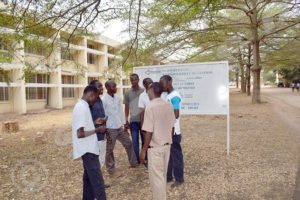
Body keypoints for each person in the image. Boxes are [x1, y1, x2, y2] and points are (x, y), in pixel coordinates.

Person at [140, 82, 176, 200]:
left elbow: (148, 132)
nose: (147, 93)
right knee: (162, 177)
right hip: (167, 146)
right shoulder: (168, 105)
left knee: (157, 180)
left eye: (148, 90)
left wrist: (144, 150)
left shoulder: (150, 107)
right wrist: (168, 141)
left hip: (155, 149)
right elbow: (172, 127)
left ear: (152, 91)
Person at [72, 85, 107, 200]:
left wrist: (94, 122)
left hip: (89, 149)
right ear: (90, 95)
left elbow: (83, 126)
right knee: (98, 182)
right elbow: (80, 134)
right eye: (95, 98)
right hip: (88, 151)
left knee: (88, 182)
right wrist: (97, 130)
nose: (95, 101)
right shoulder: (81, 107)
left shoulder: (83, 106)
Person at [103, 80, 138, 175]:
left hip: (119, 127)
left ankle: (133, 163)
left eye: (115, 86)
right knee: (109, 149)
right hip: (110, 129)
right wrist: (105, 130)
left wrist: (125, 123)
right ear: (107, 88)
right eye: (113, 86)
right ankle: (111, 169)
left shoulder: (118, 98)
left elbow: (121, 112)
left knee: (129, 143)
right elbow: (103, 116)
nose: (115, 88)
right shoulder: (104, 100)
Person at [160, 75, 184, 188]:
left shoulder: (175, 96)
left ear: (169, 82)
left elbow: (176, 114)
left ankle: (179, 179)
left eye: (162, 83)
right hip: (168, 130)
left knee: (176, 156)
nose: (161, 85)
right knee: (168, 155)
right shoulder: (167, 95)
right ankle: (168, 177)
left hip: (173, 132)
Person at [124, 73, 144, 163]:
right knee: (135, 142)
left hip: (144, 120)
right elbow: (126, 107)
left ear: (138, 80)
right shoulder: (127, 93)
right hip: (133, 121)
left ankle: (145, 158)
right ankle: (136, 160)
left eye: (135, 79)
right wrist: (126, 120)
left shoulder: (144, 91)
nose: (133, 81)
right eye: (132, 80)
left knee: (144, 140)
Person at [89, 80, 109, 169]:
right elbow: (85, 120)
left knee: (101, 160)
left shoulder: (99, 99)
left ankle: (98, 182)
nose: (102, 88)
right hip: (94, 137)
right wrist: (94, 122)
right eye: (99, 86)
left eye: (102, 86)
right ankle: (97, 183)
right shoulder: (89, 102)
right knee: (95, 162)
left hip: (102, 135)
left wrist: (104, 120)